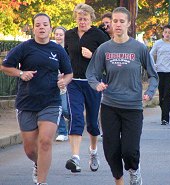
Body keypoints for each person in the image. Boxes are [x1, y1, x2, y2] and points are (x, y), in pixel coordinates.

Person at [86, 7, 158, 185]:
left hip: (133, 107)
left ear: (128, 24)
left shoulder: (139, 48)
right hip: (110, 106)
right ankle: (118, 179)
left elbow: (153, 75)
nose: (117, 24)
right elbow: (92, 74)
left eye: (121, 21)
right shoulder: (104, 49)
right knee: (111, 150)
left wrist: (149, 93)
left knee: (129, 150)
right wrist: (97, 85)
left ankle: (134, 170)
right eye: (114, 21)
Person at [1, 13, 73, 185]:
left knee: (46, 141)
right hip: (26, 103)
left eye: (45, 24)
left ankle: (42, 182)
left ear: (50, 28)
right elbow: (5, 66)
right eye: (38, 25)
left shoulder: (58, 50)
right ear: (33, 28)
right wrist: (20, 73)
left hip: (50, 102)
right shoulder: (24, 48)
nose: (41, 27)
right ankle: (37, 163)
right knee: (30, 149)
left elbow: (69, 73)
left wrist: (63, 81)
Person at [64, 3, 109, 173]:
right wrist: (62, 72)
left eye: (85, 18)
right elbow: (64, 55)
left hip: (92, 82)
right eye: (79, 18)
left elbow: (108, 56)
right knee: (76, 117)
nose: (82, 21)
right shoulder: (70, 34)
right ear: (75, 18)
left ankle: (93, 151)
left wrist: (93, 55)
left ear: (91, 19)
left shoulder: (99, 35)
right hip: (74, 82)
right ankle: (75, 157)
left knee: (91, 121)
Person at [150, 24, 170, 125]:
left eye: (169, 32)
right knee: (161, 94)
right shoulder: (158, 43)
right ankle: (163, 108)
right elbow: (150, 53)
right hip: (160, 70)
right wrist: (153, 64)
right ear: (163, 33)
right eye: (165, 32)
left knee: (167, 93)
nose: (167, 34)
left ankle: (165, 118)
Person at [53, 26, 70, 142]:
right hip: (53, 82)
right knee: (57, 108)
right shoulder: (50, 47)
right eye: (56, 34)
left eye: (61, 34)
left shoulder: (68, 48)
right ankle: (63, 132)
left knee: (65, 109)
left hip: (67, 82)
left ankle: (75, 119)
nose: (58, 36)